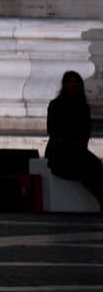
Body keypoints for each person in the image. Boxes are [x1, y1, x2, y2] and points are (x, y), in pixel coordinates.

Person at [44, 70, 103, 209]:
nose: (73, 85)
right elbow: (53, 131)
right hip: (59, 152)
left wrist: (77, 146)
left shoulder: (83, 107)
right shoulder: (55, 105)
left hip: (78, 150)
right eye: (70, 82)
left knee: (95, 165)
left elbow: (85, 133)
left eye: (76, 82)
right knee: (82, 167)